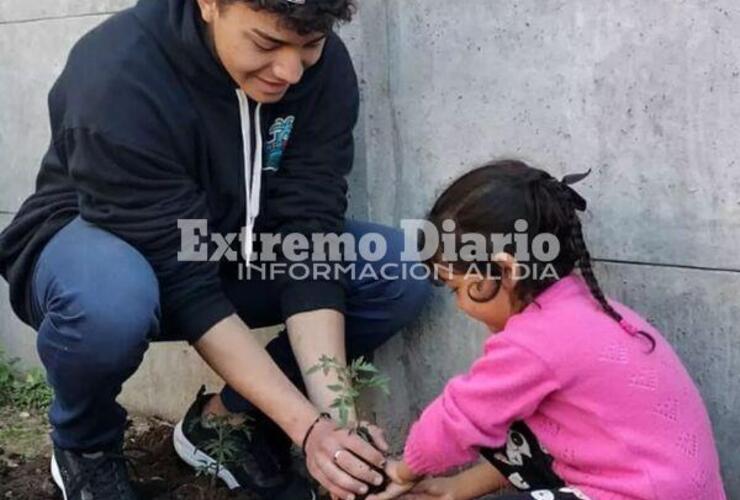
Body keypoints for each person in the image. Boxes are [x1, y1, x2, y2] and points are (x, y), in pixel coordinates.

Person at [0, 0, 430, 499]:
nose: (289, 71)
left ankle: (227, 425)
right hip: (102, 252)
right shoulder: (119, 73)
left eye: (309, 46)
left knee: (394, 268)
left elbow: (310, 237)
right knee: (110, 303)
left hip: (228, 244)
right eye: (266, 44)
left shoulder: (321, 69)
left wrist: (338, 427)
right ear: (209, 4)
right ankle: (86, 448)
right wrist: (306, 429)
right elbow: (185, 283)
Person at [368, 160, 726, 499]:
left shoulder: (534, 342)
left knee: (483, 410)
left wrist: (403, 471)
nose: (460, 305)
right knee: (507, 412)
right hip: (664, 486)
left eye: (456, 288)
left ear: (505, 272)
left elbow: (457, 417)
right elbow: (538, 437)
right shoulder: (584, 307)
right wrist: (459, 487)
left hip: (634, 492)